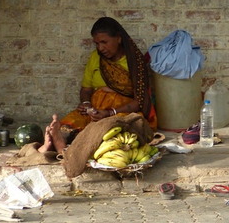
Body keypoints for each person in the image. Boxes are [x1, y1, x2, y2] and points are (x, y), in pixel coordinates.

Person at [39, 17, 157, 154]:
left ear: (118, 38)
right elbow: (86, 89)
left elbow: (140, 101)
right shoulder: (96, 57)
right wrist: (86, 103)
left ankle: (71, 146)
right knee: (69, 124)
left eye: (104, 42)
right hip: (95, 110)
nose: (100, 48)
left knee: (113, 129)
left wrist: (109, 113)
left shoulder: (134, 62)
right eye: (97, 43)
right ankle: (60, 140)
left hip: (121, 112)